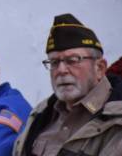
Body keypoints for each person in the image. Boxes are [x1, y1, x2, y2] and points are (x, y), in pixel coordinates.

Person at [13, 13, 122, 156]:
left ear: (100, 68)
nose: (61, 70)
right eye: (54, 62)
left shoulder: (116, 119)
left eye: (73, 60)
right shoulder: (41, 113)